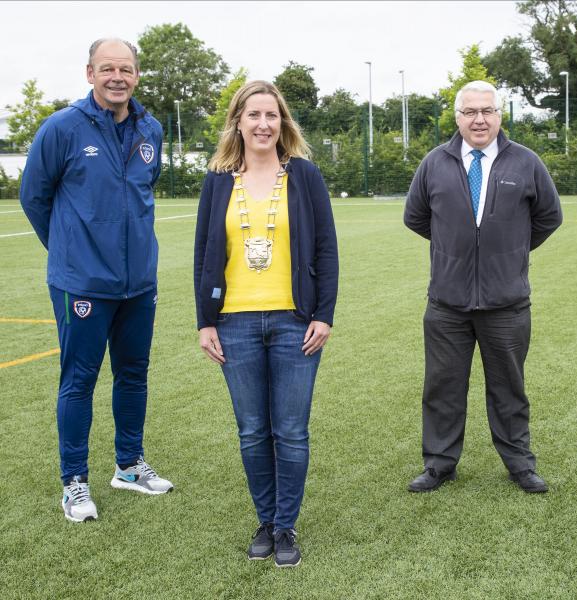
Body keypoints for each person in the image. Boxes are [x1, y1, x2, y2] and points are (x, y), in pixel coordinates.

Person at [19, 38, 173, 523]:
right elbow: (33, 198)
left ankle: (128, 466)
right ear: (90, 73)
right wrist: (70, 252)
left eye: (125, 69)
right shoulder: (62, 127)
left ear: (137, 75)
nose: (117, 77)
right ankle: (74, 482)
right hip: (81, 284)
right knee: (79, 380)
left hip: (138, 284)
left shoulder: (152, 128)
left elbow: (143, 191)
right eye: (107, 68)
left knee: (134, 374)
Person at [194, 80, 338, 567]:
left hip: (294, 322)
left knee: (291, 431)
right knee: (253, 430)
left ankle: (285, 526)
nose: (262, 124)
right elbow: (204, 256)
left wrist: (323, 315)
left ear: (283, 123)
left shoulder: (305, 176)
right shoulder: (217, 179)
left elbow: (326, 250)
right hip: (233, 322)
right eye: (253, 115)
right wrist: (205, 322)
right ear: (238, 121)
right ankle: (265, 519)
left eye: (271, 116)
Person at [403, 81, 563, 494]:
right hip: (447, 303)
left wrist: (507, 252)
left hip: (507, 303)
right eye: (470, 111)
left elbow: (549, 216)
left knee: (509, 388)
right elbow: (416, 217)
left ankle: (519, 464)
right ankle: (439, 464)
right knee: (442, 386)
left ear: (500, 115)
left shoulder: (526, 163)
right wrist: (455, 250)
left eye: (487, 111)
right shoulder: (434, 163)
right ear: (456, 117)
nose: (479, 119)